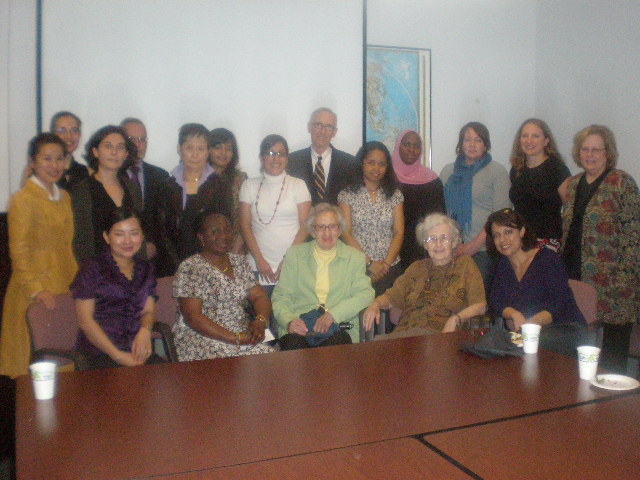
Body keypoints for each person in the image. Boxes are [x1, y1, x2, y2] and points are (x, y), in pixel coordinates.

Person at [562, 125, 640, 373]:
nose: (590, 154)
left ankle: (611, 401)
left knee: (613, 352)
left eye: (596, 149)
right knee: (579, 344)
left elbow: (633, 235)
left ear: (608, 152)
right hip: (576, 274)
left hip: (616, 279)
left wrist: (626, 278)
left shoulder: (622, 183)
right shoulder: (574, 184)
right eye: (585, 149)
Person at [0, 133, 78, 378]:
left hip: (64, 288)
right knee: (32, 369)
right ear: (32, 162)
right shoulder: (22, 200)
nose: (54, 165)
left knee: (64, 367)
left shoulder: (64, 198)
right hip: (33, 293)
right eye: (47, 159)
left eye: (59, 159)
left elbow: (67, 247)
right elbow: (19, 253)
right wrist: (37, 290)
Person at [172, 210, 277, 361]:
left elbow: (259, 295)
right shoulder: (191, 267)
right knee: (242, 364)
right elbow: (193, 317)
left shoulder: (239, 262)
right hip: (201, 338)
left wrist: (260, 320)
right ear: (201, 237)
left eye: (227, 231)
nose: (223, 236)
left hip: (241, 333)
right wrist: (235, 338)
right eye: (215, 231)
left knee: (272, 360)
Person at [363, 213, 485, 338]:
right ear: (425, 245)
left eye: (444, 238)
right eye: (431, 239)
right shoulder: (416, 268)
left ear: (454, 242)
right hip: (405, 336)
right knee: (373, 349)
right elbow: (391, 297)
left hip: (442, 338)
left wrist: (456, 319)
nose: (438, 244)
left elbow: (480, 306)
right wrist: (375, 304)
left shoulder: (465, 264)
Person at [71, 208, 164, 369]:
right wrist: (118, 356)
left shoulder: (146, 268)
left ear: (142, 237)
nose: (127, 241)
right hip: (100, 353)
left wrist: (145, 331)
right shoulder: (92, 268)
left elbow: (148, 311)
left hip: (136, 351)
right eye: (119, 234)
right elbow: (85, 320)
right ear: (107, 237)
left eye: (134, 233)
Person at [272, 203, 374, 349]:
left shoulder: (355, 258)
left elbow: (365, 294)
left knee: (334, 349)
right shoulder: (294, 255)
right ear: (313, 231)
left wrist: (334, 314)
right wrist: (290, 321)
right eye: (321, 227)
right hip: (301, 327)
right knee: (293, 348)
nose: (327, 233)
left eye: (332, 227)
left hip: (338, 327)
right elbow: (281, 297)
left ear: (339, 230)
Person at [239, 135, 311, 318]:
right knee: (260, 324)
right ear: (262, 157)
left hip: (291, 265)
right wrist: (260, 260)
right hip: (257, 266)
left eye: (281, 154)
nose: (276, 158)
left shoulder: (298, 185)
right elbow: (245, 225)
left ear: (287, 158)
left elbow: (305, 227)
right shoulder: (248, 185)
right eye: (271, 153)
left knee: (288, 322)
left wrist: (287, 260)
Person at [486, 208, 585, 332]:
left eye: (508, 232)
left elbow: (561, 304)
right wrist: (513, 314)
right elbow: (495, 301)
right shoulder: (502, 264)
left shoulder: (547, 259)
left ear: (522, 232)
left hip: (566, 331)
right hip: (530, 336)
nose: (502, 240)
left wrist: (534, 322)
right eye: (497, 235)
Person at [441, 122, 510, 289]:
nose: (472, 145)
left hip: (483, 251)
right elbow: (442, 213)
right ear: (460, 144)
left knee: (477, 303)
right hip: (451, 249)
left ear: (485, 144)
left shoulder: (497, 171)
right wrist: (451, 244)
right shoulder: (448, 172)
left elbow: (500, 216)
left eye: (478, 140)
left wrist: (473, 246)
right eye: (467, 140)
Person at [338, 141, 404, 296]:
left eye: (381, 164)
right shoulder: (347, 194)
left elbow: (398, 232)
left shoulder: (394, 194)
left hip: (390, 267)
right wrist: (369, 263)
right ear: (362, 163)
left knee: (389, 318)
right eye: (371, 163)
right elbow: (346, 233)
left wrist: (386, 265)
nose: (376, 168)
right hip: (358, 267)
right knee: (360, 317)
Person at [71, 125, 143, 263]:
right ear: (95, 151)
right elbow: (81, 242)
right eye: (108, 146)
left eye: (120, 147)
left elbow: (139, 233)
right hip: (97, 273)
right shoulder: (81, 191)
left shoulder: (133, 188)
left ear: (126, 154)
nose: (114, 152)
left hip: (131, 269)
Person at [163, 123, 231, 262]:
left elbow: (225, 227)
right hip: (173, 261)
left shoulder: (219, 185)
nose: (195, 155)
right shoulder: (168, 185)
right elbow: (163, 228)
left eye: (200, 149)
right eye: (189, 148)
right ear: (179, 149)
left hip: (209, 261)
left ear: (208, 152)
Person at [121, 118, 174, 276]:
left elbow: (166, 223)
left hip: (157, 263)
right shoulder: (112, 176)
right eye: (132, 139)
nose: (138, 145)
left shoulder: (161, 176)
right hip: (122, 261)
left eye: (142, 139)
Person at [509, 118, 571, 251]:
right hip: (521, 239)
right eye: (525, 136)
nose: (529, 141)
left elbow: (570, 207)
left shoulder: (557, 168)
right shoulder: (516, 169)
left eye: (535, 136)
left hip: (548, 240)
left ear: (546, 141)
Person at [391, 129, 446, 270]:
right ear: (398, 147)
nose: (411, 149)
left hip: (421, 250)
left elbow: (439, 219)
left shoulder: (432, 180)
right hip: (390, 250)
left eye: (416, 146)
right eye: (407, 144)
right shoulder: (387, 178)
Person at [288, 107, 357, 205]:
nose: (322, 131)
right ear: (309, 127)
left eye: (328, 127)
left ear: (334, 132)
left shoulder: (349, 163)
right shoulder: (292, 161)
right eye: (318, 125)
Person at [209, 127, 248, 253]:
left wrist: (234, 254)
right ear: (208, 149)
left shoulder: (241, 180)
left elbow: (245, 221)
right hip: (203, 253)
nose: (223, 152)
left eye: (229, 148)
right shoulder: (197, 180)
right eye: (218, 147)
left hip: (235, 249)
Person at [50, 111, 89, 190]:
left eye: (74, 130)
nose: (69, 136)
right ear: (52, 134)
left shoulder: (84, 172)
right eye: (62, 131)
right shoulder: (42, 170)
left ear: (79, 135)